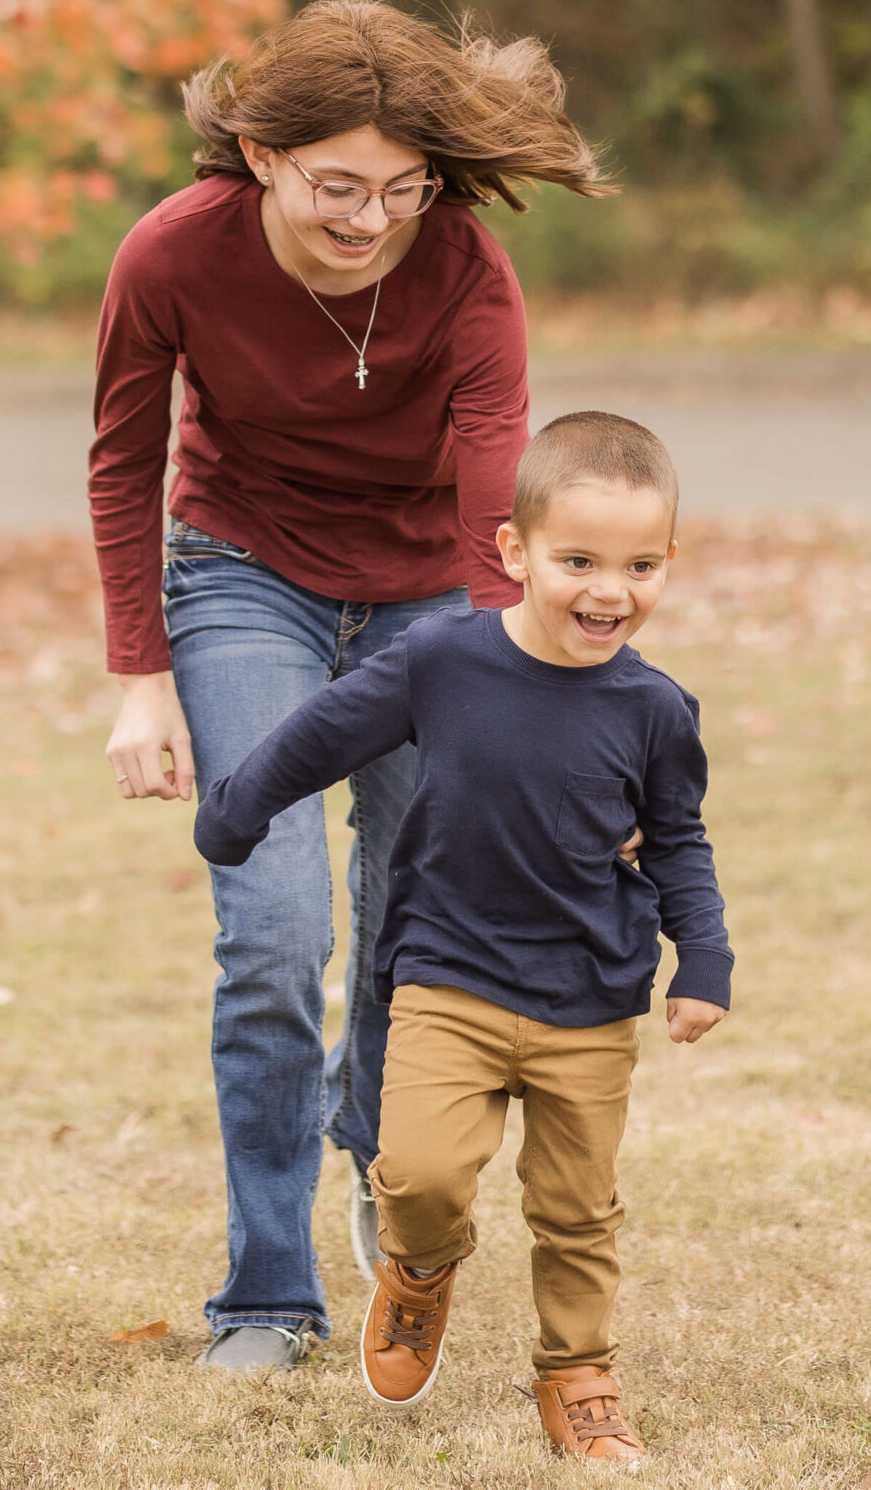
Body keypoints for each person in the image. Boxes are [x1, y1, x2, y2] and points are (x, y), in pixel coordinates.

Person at [90, 0, 611, 1370]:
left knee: (418, 906)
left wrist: (516, 678)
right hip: (243, 576)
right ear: (262, 154)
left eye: (403, 187)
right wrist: (141, 677)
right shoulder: (172, 255)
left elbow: (492, 470)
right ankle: (267, 1288)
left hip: (429, 593)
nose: (372, 217)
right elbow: (122, 459)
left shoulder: (465, 269)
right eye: (338, 185)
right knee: (272, 931)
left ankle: (383, 1151)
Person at [193, 412, 731, 1461]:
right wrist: (239, 806)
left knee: (577, 1208)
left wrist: (700, 957)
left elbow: (678, 838)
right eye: (577, 560)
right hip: (448, 978)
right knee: (420, 1170)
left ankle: (577, 1370)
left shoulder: (657, 707)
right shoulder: (440, 659)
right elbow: (321, 730)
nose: (606, 590)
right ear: (515, 552)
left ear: (669, 561)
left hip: (590, 998)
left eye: (637, 564)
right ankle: (420, 1267)